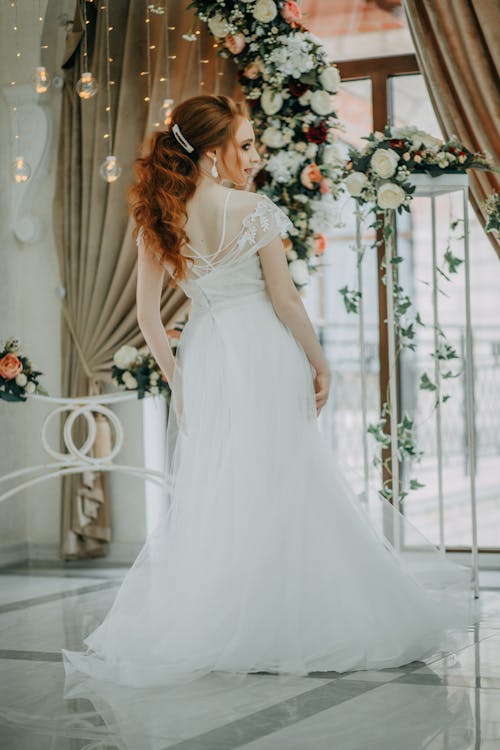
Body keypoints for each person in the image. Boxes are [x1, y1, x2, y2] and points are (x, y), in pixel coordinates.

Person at [62, 94, 474, 688]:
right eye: (245, 144)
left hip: (207, 358)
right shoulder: (253, 208)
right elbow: (284, 301)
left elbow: (151, 321)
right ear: (210, 153)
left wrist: (182, 383)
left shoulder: (157, 216)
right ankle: (289, 615)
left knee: (224, 486)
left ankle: (230, 617)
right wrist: (320, 361)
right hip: (265, 352)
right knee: (288, 478)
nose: (255, 156)